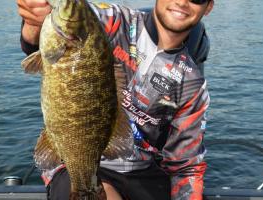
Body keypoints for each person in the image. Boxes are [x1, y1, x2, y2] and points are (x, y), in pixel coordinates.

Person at [17, 0, 214, 199]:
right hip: (76, 161)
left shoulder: (192, 85)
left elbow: (187, 168)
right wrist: (34, 20)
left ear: (208, 7)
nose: (182, 2)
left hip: (146, 173)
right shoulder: (112, 20)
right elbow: (50, 30)